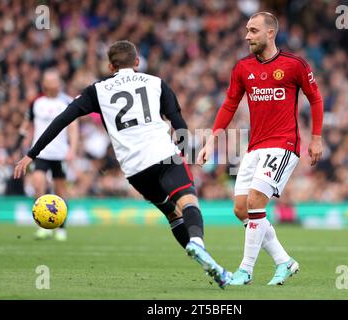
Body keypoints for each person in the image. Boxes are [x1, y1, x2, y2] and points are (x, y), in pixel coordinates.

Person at [14, 40, 232, 289]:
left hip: (135, 170)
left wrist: (32, 153)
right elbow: (178, 124)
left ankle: (208, 263)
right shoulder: (156, 83)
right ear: (137, 62)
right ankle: (198, 244)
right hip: (164, 155)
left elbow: (62, 119)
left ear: (110, 66)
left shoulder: (97, 90)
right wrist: (186, 155)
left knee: (172, 213)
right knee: (188, 201)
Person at [197, 12, 324, 286]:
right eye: (246, 30)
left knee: (255, 203)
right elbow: (229, 104)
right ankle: (284, 262)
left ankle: (245, 270)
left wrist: (316, 137)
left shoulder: (294, 65)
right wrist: (211, 139)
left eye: (253, 30)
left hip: (284, 144)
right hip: (255, 147)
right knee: (241, 209)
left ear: (270, 33)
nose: (247, 36)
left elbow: (315, 98)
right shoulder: (243, 68)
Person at [13, 69, 79, 241]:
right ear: (44, 83)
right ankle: (44, 227)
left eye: (55, 80)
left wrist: (72, 149)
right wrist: (20, 145)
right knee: (38, 187)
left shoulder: (67, 101)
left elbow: (73, 127)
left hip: (60, 154)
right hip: (41, 154)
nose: (52, 84)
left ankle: (62, 228)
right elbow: (27, 125)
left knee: (60, 191)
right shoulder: (36, 102)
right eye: (49, 80)